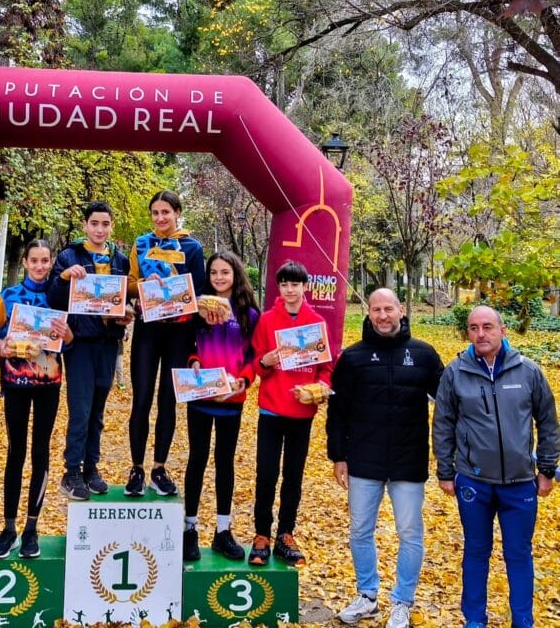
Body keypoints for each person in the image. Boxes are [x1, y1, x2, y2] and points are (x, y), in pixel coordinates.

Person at [432, 305, 558, 628]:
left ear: (503, 330)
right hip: (474, 482)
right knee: (476, 552)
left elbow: (547, 421)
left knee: (518, 554)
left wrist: (546, 469)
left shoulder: (528, 371)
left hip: (519, 484)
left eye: (488, 327)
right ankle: (474, 620)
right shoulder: (456, 372)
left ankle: (523, 620)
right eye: (474, 328)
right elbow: (443, 422)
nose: (481, 334)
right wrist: (445, 470)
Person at [326, 288, 445, 628]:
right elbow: (338, 410)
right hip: (364, 460)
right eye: (376, 309)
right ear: (368, 312)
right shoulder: (353, 357)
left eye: (388, 308)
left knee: (410, 533)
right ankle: (367, 595)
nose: (382, 315)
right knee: (360, 531)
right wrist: (339, 455)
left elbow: (449, 400)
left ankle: (402, 602)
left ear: (401, 309)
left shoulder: (423, 355)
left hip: (408, 461)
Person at [0, 239, 73, 560]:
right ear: (24, 262)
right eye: (33, 260)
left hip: (49, 382)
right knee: (16, 451)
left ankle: (31, 529)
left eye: (44, 260)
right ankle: (8, 528)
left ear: (51, 263)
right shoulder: (8, 296)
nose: (39, 266)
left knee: (41, 452)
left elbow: (71, 340)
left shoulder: (59, 296)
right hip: (16, 382)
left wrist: (67, 335)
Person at [249, 259, 333, 567]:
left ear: (305, 287)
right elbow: (256, 363)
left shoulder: (316, 322)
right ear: (279, 288)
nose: (289, 290)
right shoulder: (268, 320)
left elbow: (326, 369)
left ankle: (286, 533)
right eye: (284, 284)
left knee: (293, 477)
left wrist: (320, 389)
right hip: (271, 410)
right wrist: (266, 362)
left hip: (302, 413)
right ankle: (261, 535)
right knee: (266, 474)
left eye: (295, 284)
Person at [48, 201, 131, 501]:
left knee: (97, 412)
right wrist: (64, 277)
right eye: (94, 223)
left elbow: (121, 301)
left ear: (111, 227)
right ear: (85, 225)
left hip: (108, 344)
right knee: (81, 410)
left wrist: (123, 316)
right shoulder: (70, 256)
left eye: (105, 224)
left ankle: (91, 469)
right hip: (80, 344)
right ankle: (71, 471)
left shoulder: (119, 259)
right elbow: (54, 299)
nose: (99, 229)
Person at [125, 189, 206, 497]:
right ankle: (136, 468)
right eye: (155, 213)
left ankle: (159, 467)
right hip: (148, 330)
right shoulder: (141, 243)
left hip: (179, 333)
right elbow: (129, 284)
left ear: (177, 213)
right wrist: (145, 285)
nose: (160, 218)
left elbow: (198, 291)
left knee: (168, 401)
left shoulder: (192, 247)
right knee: (142, 399)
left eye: (166, 213)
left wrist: (176, 291)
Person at [182, 251, 259, 563]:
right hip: (200, 396)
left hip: (231, 399)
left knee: (224, 462)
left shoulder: (249, 315)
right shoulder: (198, 311)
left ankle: (223, 531)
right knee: (197, 460)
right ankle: (190, 528)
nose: (218, 278)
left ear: (235, 274)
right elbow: (188, 347)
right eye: (213, 272)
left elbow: (255, 355)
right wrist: (194, 361)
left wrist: (244, 378)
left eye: (224, 272)